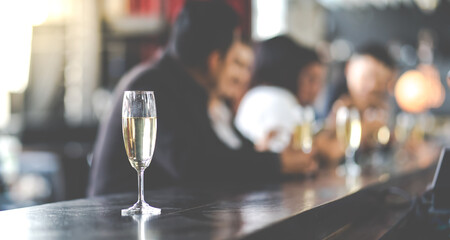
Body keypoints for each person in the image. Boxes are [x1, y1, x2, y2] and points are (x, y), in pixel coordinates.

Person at [88, 2, 316, 196]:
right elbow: (194, 165)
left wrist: (274, 158)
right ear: (215, 60)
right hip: (119, 224)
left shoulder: (183, 86)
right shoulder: (153, 85)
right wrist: (276, 164)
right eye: (233, 59)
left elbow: (219, 152)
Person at [235, 35, 325, 154]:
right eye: (309, 78)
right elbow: (297, 158)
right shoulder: (280, 100)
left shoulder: (255, 95)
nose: (315, 88)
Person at [315, 44, 397, 165]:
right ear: (349, 68)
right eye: (367, 77)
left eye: (380, 81)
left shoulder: (380, 106)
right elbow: (327, 153)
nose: (372, 86)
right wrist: (366, 128)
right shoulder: (334, 100)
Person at [208, 40, 254, 149]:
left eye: (248, 68)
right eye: (237, 63)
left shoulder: (224, 112)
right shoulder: (193, 116)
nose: (245, 76)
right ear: (216, 61)